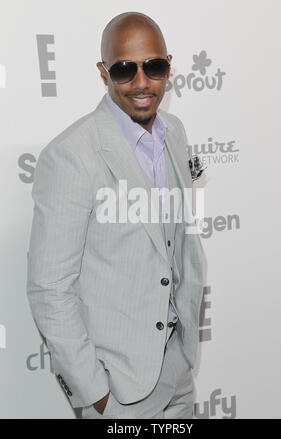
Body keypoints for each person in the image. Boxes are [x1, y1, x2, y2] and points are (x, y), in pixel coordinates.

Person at [26, 11, 204, 419]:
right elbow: (49, 288)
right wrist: (97, 394)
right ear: (103, 72)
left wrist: (183, 355)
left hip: (176, 367)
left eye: (154, 66)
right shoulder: (72, 155)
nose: (142, 83)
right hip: (120, 388)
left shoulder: (173, 133)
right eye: (125, 70)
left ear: (168, 67)